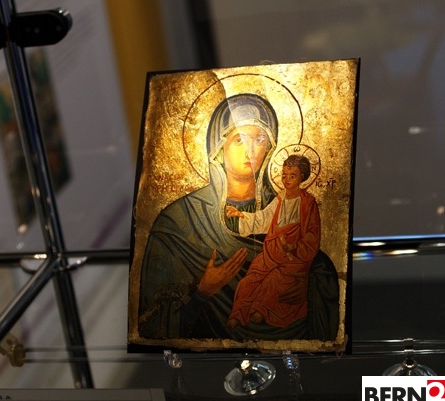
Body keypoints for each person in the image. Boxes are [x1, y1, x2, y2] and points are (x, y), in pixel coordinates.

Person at [137, 93, 339, 342]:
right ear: (218, 148)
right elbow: (154, 325)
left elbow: (319, 263)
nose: (250, 150)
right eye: (239, 139)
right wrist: (203, 291)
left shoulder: (287, 203)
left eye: (259, 139)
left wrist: (306, 281)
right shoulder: (178, 221)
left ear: (270, 147)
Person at [225, 154, 320, 330]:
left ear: (302, 177)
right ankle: (238, 314)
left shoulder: (308, 203)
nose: (287, 179)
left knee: (274, 279)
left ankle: (261, 310)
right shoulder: (280, 198)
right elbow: (264, 219)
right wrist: (241, 214)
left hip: (293, 258)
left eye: (292, 176)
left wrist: (295, 246)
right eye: (284, 175)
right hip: (271, 252)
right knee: (249, 281)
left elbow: (312, 235)